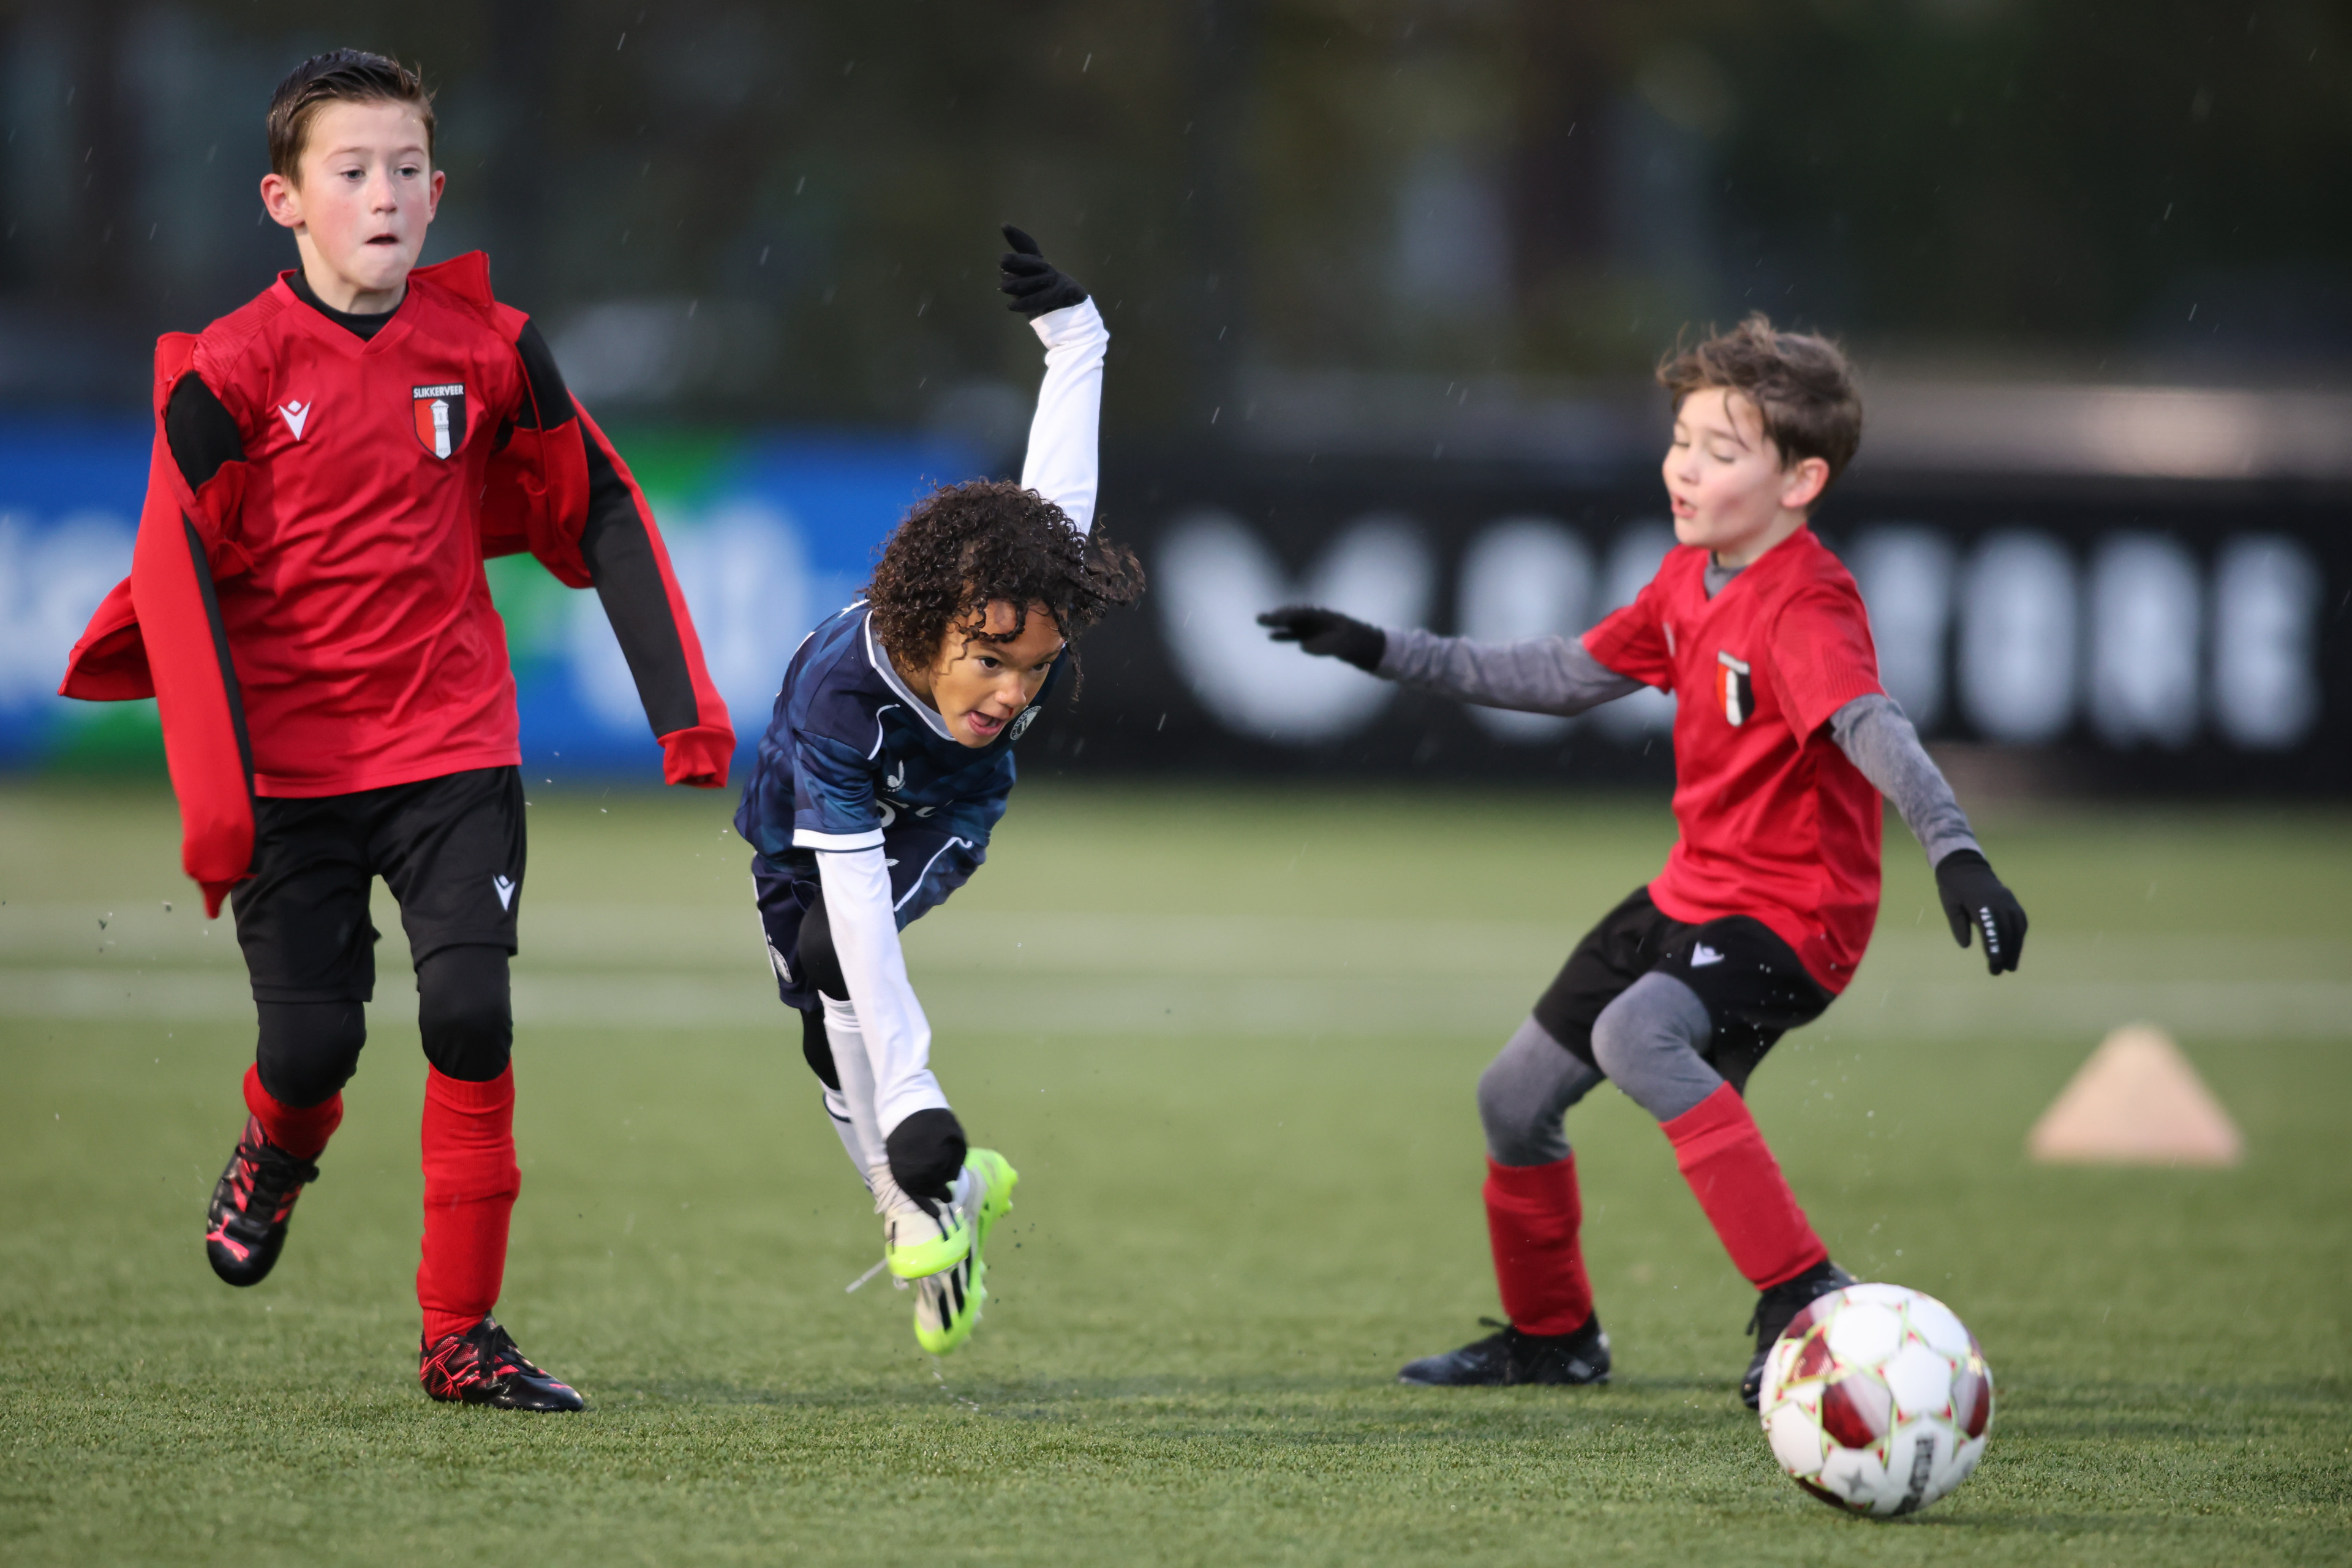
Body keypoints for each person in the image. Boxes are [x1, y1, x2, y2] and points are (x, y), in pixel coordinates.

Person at [59, 51, 733, 1411]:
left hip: (455, 749)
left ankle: (458, 1337)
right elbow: (173, 569)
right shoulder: (234, 372)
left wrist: (684, 712)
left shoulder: (488, 346)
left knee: (471, 1016)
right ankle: (276, 1145)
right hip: (294, 775)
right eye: (352, 171)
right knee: (313, 1049)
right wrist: (212, 799)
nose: (386, 195)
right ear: (284, 199)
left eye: (409, 169)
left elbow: (598, 499)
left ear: (440, 190)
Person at [1257, 315, 2027, 1406]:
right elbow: (1560, 676)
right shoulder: (1687, 579)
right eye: (1681, 439)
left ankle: (1802, 1295)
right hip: (1691, 896)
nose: (1685, 467)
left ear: (1800, 481)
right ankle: (1554, 1338)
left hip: (1796, 918)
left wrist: (1958, 855)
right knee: (1513, 1099)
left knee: (1633, 1033)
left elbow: (1874, 726)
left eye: (1722, 451)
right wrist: (1386, 650)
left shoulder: (1806, 604)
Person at [735, 226, 1141, 1357]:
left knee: (829, 962)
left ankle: (914, 1206)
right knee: (823, 1018)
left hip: (943, 815)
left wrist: (1077, 340)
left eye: (1035, 670)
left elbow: (1058, 497)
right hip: (801, 827)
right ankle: (944, 1198)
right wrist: (911, 1099)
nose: (1012, 692)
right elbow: (847, 895)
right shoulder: (840, 702)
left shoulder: (1016, 597)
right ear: (927, 625)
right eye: (990, 660)